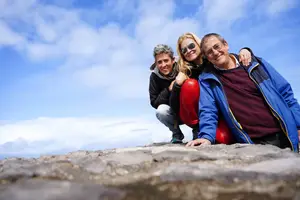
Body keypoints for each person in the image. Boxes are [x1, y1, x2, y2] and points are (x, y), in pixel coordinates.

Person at [186, 33, 300, 153]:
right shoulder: (208, 80)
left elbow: (286, 94)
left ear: (226, 45)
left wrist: (299, 125)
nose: (215, 52)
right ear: (207, 57)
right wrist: (206, 137)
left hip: (285, 133)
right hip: (254, 144)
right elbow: (208, 110)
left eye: (217, 46)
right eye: (209, 52)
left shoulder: (256, 64)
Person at [149, 43, 252, 143]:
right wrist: (170, 88)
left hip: (194, 109)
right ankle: (176, 134)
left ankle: (198, 128)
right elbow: (154, 102)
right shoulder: (154, 77)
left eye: (166, 60)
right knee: (161, 110)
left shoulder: (183, 67)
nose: (163, 65)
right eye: (159, 62)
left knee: (223, 138)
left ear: (173, 60)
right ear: (156, 63)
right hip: (175, 112)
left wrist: (245, 50)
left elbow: (213, 58)